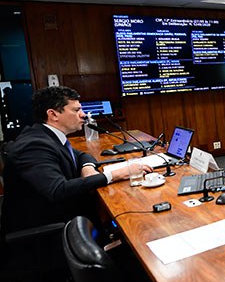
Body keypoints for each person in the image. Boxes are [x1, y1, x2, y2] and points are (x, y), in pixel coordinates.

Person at [1, 86, 149, 235]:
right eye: (76, 110)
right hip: (48, 232)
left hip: (66, 215)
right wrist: (115, 175)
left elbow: (79, 155)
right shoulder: (34, 146)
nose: (83, 115)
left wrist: (88, 167)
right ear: (53, 114)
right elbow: (58, 190)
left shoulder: (47, 135)